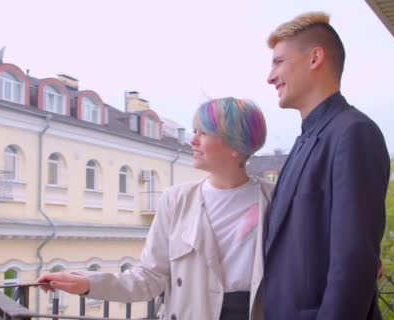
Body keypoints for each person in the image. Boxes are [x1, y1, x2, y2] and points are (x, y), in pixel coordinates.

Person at [38, 97, 272, 320]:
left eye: (204, 132)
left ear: (236, 146)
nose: (193, 140)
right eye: (195, 131)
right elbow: (150, 277)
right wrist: (88, 283)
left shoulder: (273, 199)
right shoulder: (177, 200)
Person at [261, 12, 390, 320]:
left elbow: (355, 261)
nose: (270, 76)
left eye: (278, 62)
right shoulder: (305, 140)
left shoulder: (354, 133)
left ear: (315, 57)